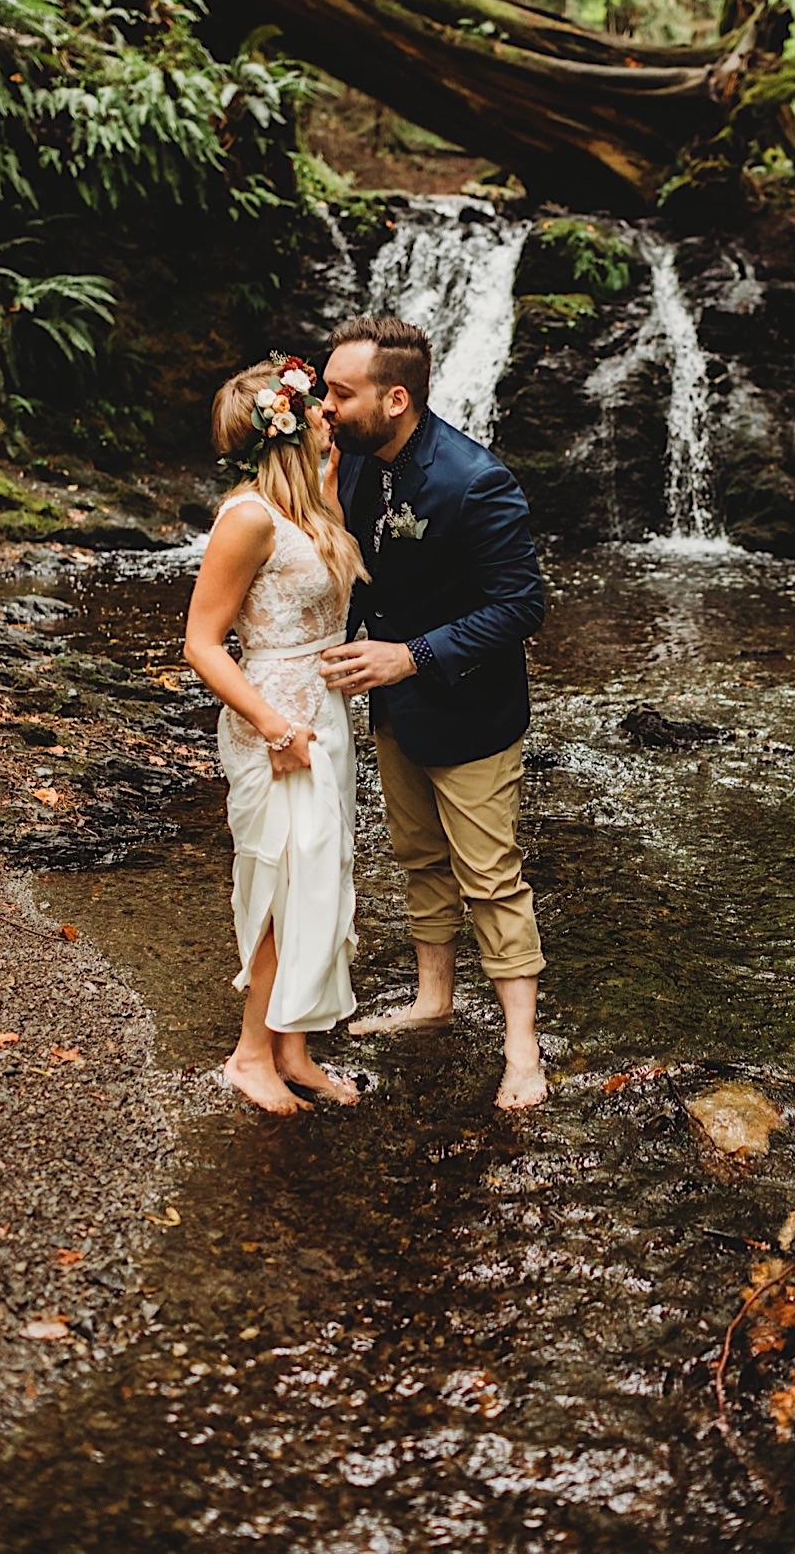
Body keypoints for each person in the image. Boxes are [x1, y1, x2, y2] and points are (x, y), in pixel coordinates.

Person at [318, 314, 548, 1111]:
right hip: (393, 706)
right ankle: (433, 997)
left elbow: (522, 606)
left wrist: (411, 656)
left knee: (490, 877)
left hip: (473, 709)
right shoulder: (352, 465)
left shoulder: (475, 479)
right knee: (418, 857)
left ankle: (523, 1049)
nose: (324, 407)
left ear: (395, 398)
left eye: (339, 394)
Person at [183, 356, 368, 1114]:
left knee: (322, 877)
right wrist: (271, 725)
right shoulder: (249, 518)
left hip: (323, 716)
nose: (330, 412)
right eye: (315, 405)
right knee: (281, 884)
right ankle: (249, 1055)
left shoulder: (311, 505)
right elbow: (200, 643)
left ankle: (293, 1045)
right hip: (275, 724)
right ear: (284, 426)